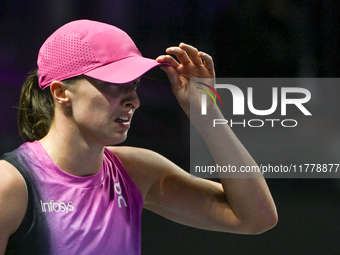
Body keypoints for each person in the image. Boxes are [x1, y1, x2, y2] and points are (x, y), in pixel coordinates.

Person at [0, 19, 277, 255]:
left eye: (133, 85)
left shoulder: (135, 172)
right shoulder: (11, 186)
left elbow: (255, 217)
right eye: (113, 84)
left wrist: (207, 115)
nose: (133, 100)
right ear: (61, 92)